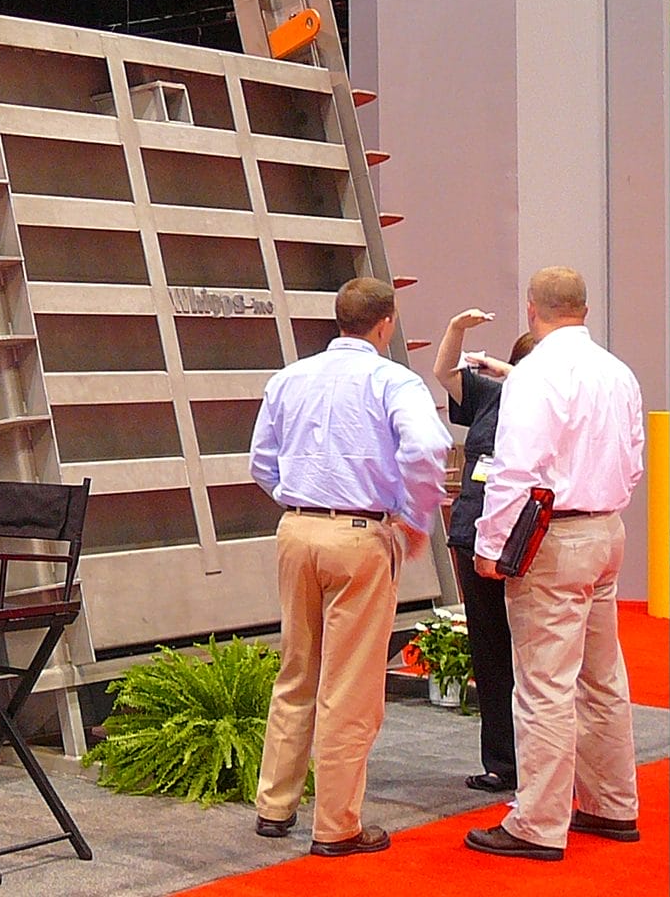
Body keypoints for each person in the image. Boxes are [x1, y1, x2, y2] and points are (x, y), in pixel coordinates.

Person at [249, 277, 452, 857]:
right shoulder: (393, 379)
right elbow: (427, 449)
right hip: (361, 533)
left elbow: (260, 461)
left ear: (338, 320)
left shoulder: (290, 377)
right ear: (386, 324)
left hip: (297, 527)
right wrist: (413, 520)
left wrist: (300, 500)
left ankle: (275, 805)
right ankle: (336, 825)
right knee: (350, 686)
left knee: (296, 670)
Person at [464, 267, 645, 861]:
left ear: (531, 308)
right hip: (606, 529)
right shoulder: (618, 372)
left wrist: (491, 547)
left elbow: (514, 469)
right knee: (603, 677)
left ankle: (537, 823)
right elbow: (634, 459)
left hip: (551, 536)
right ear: (585, 309)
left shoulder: (537, 373)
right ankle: (611, 803)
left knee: (543, 684)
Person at [433, 309, 537, 793]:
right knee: (491, 652)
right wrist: (456, 329)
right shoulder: (491, 396)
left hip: (528, 542)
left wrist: (518, 376)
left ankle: (545, 762)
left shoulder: (546, 400)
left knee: (535, 656)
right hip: (475, 536)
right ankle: (503, 761)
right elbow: (446, 373)